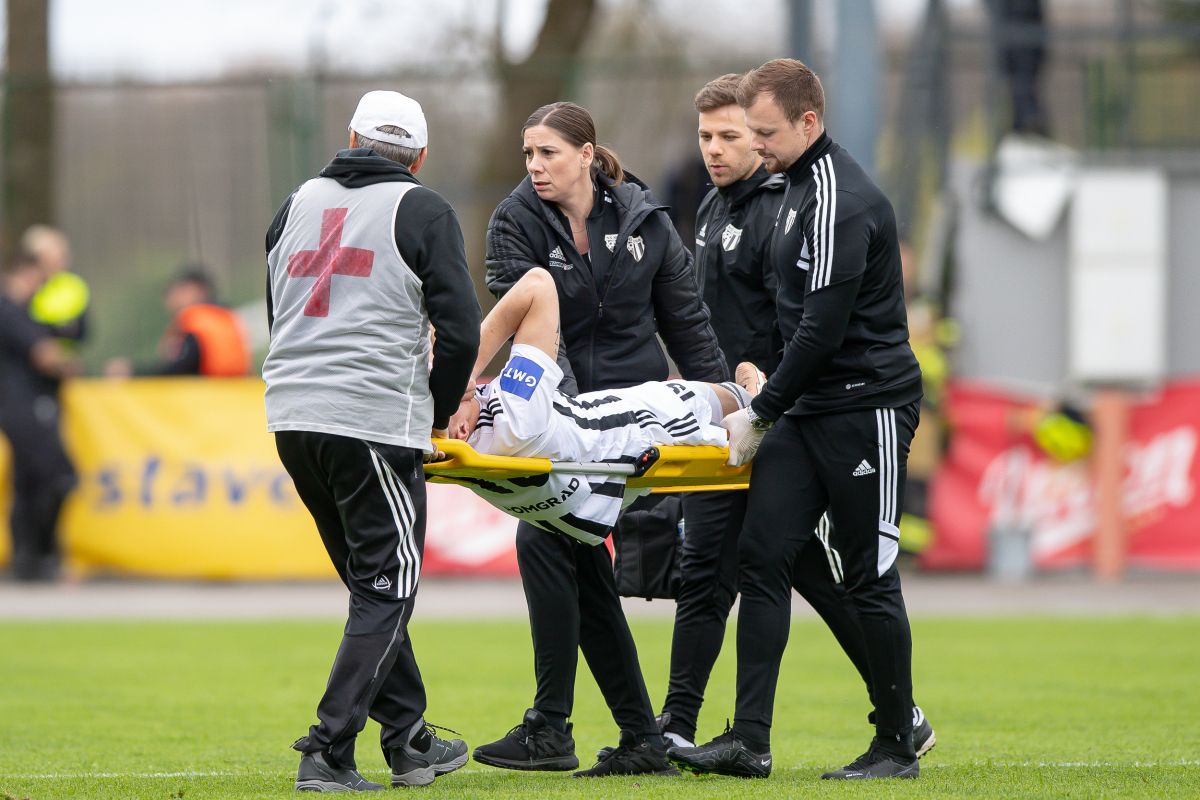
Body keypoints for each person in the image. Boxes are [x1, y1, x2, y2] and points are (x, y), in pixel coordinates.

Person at [659, 74, 935, 757]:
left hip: (865, 406)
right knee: (762, 556)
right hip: (805, 406)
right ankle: (749, 741)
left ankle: (898, 741)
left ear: (808, 123)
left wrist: (760, 410)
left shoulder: (840, 199)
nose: (753, 146)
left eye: (762, 133)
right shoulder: (789, 189)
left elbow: (821, 331)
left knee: (867, 575)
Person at [473, 101, 728, 778]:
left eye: (548, 153)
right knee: (568, 547)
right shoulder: (515, 222)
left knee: (551, 539)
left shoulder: (645, 221)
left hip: (632, 421)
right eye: (528, 154)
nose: (534, 167)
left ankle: (559, 728)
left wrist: (722, 410)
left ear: (586, 155)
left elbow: (688, 327)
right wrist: (557, 421)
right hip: (570, 418)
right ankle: (630, 735)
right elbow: (533, 334)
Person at [262, 89, 480, 792]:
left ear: (351, 137)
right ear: (420, 156)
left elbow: (278, 307)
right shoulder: (423, 209)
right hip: (370, 417)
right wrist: (436, 412)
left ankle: (409, 740)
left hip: (292, 413)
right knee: (390, 586)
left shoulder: (295, 203)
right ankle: (328, 748)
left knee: (373, 588)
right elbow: (461, 329)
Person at [441, 266, 757, 541]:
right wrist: (466, 370)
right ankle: (751, 399)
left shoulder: (444, 439)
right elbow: (538, 284)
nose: (444, 376)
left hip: (565, 502)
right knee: (670, 400)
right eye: (444, 394)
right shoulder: (514, 412)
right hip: (606, 456)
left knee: (603, 407)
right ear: (462, 429)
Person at [0, 251, 79, 582]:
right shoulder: (11, 310)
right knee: (60, 476)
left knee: (29, 481)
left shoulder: (20, 311)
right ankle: (40, 553)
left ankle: (27, 560)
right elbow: (44, 354)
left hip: (19, 406)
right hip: (25, 405)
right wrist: (72, 366)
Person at [104, 267, 250, 377]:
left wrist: (133, 371)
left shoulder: (198, 320)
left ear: (196, 290)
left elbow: (182, 367)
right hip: (234, 396)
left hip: (208, 399)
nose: (170, 300)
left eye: (176, 291)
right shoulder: (226, 317)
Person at [22, 224, 90, 350]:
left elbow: (83, 331)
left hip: (64, 356)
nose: (63, 262)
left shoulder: (72, 286)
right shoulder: (25, 288)